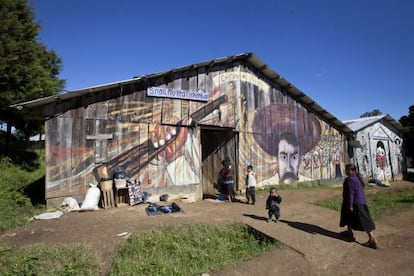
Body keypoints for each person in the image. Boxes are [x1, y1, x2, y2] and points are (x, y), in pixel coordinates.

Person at [340, 163, 377, 249]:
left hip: (354, 203)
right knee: (348, 217)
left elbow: (351, 193)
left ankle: (372, 239)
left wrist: (350, 205)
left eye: (347, 170)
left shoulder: (350, 180)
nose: (345, 171)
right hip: (359, 202)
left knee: (363, 221)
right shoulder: (356, 178)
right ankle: (349, 232)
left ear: (351, 171)